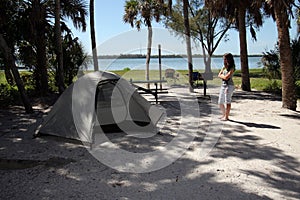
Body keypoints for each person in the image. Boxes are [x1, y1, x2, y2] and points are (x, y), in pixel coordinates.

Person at [218, 53, 235, 121]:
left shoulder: (232, 67)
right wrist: (223, 76)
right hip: (223, 85)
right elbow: (219, 75)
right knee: (220, 102)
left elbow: (226, 77)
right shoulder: (224, 67)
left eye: (225, 59)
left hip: (229, 86)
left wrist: (223, 76)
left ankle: (226, 116)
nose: (224, 60)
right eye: (223, 59)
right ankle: (224, 114)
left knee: (227, 101)